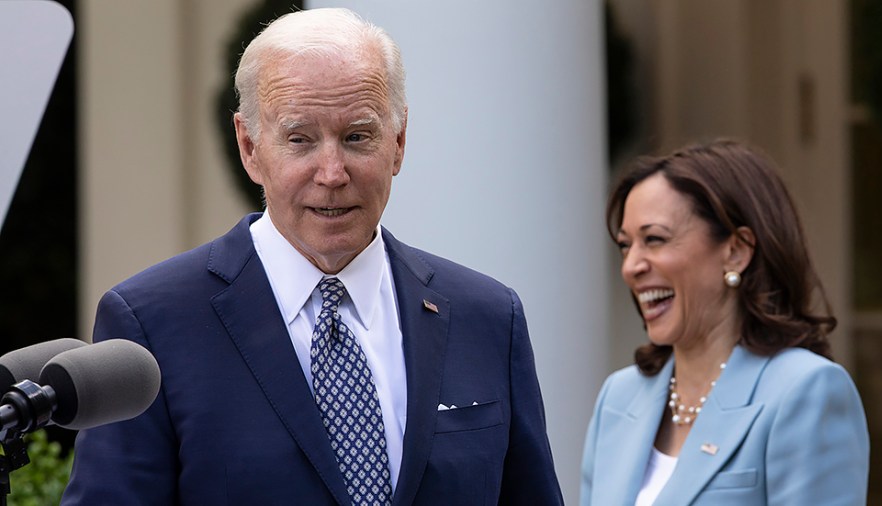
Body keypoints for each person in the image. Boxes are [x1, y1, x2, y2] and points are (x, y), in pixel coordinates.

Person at [62, 8, 562, 505]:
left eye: (357, 137)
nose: (332, 172)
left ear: (400, 142)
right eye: (300, 139)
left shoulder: (489, 318)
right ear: (249, 146)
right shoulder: (153, 324)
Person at [581, 139, 869, 505]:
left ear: (736, 251)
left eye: (654, 239)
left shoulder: (806, 391)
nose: (631, 267)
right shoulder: (618, 398)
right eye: (626, 245)